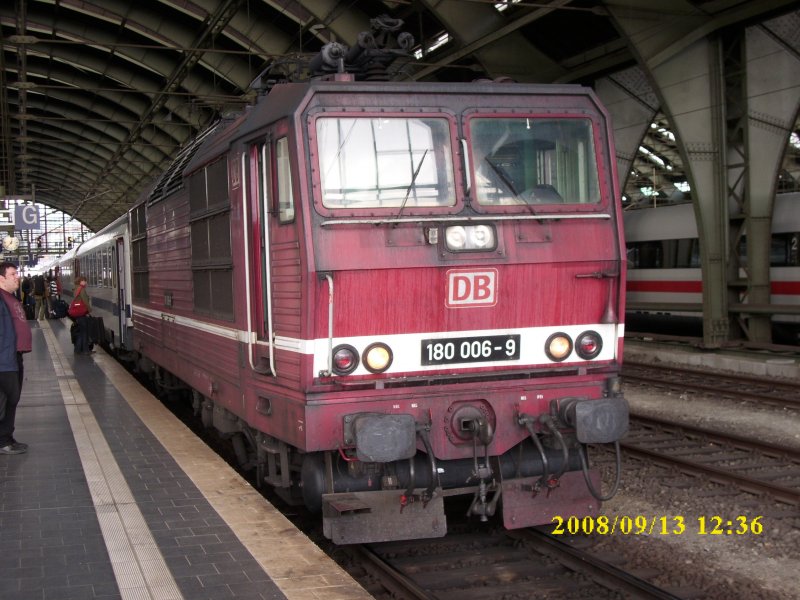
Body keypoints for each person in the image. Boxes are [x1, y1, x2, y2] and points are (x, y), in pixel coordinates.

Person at [0, 261, 32, 454]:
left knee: (11, 397)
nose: (17, 277)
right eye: (13, 274)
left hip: (12, 356)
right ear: (1, 278)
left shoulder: (9, 297)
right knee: (8, 398)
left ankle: (7, 437)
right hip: (5, 358)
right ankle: (3, 440)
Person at [72, 276, 93, 355]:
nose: (86, 282)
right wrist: (89, 310)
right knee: (84, 332)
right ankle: (85, 350)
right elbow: (85, 301)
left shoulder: (76, 288)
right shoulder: (81, 289)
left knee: (81, 332)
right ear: (81, 281)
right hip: (81, 313)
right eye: (84, 281)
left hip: (77, 313)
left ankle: (77, 349)